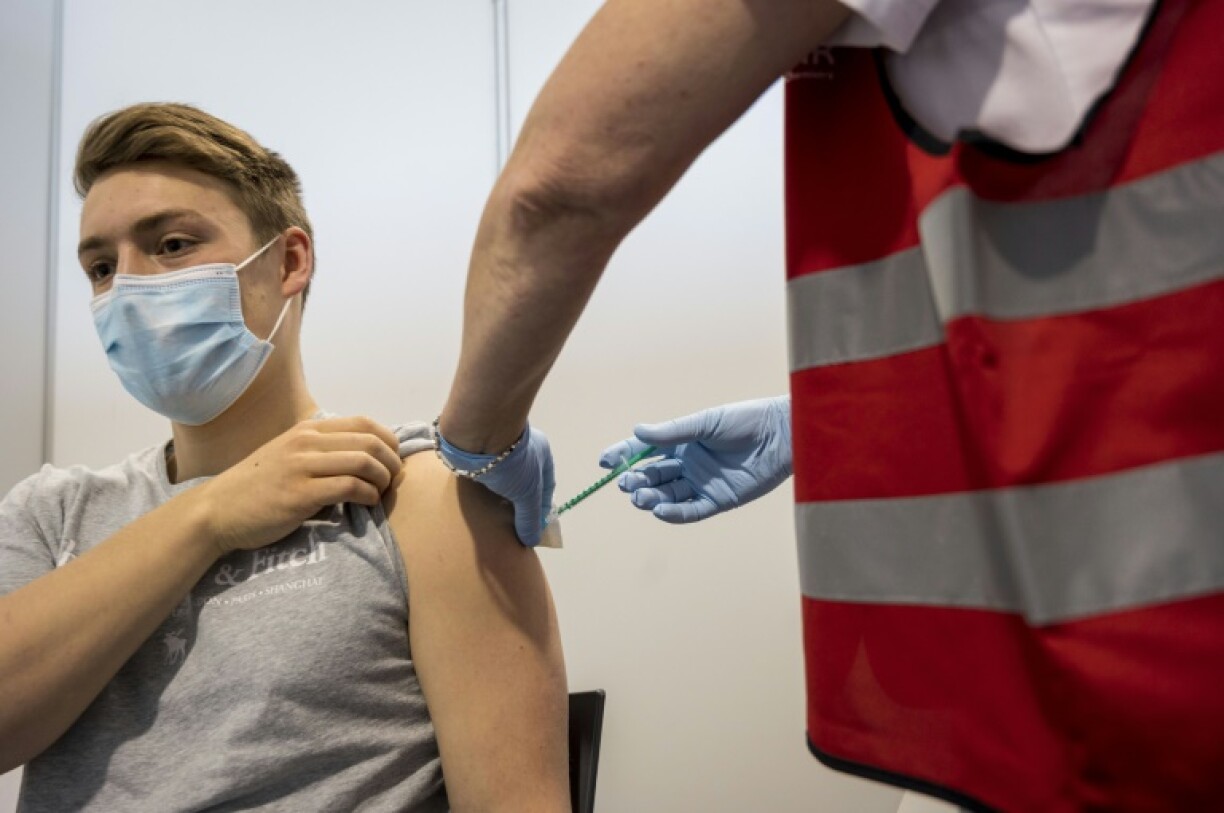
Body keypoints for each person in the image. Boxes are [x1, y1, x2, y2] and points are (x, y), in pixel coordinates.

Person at [432, 0, 1224, 809]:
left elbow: (556, 191)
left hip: (1136, 656)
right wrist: (813, 425)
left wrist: (477, 442)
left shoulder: (429, 513)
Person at [0, 103, 569, 812]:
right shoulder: (53, 512)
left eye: (172, 245)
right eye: (101, 267)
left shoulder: (411, 494)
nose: (129, 288)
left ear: (290, 261)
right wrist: (210, 514)